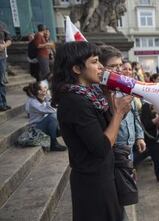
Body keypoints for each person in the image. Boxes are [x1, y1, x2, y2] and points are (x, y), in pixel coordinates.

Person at [52, 41, 131, 221]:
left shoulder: (90, 95)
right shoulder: (74, 101)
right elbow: (102, 146)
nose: (101, 67)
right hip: (93, 184)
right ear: (77, 69)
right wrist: (119, 112)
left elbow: (107, 126)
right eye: (95, 61)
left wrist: (108, 94)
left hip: (102, 176)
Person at [23, 82, 66, 151]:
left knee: (59, 116)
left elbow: (55, 108)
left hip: (43, 125)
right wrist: (48, 97)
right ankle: (53, 143)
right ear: (39, 91)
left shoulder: (40, 98)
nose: (46, 89)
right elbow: (52, 110)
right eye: (44, 87)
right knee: (52, 117)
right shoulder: (33, 102)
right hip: (36, 129)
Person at [0, 24, 11, 111]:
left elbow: (9, 40)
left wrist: (4, 46)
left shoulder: (2, 26)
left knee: (2, 81)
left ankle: (3, 103)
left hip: (1, 57)